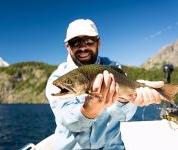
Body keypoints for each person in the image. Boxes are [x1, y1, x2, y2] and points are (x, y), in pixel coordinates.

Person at [45, 19, 164, 150]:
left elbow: (123, 116)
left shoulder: (113, 68)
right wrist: (90, 109)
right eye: (75, 42)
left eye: (89, 40)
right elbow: (69, 121)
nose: (83, 47)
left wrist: (125, 99)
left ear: (98, 42)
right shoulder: (57, 79)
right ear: (67, 46)